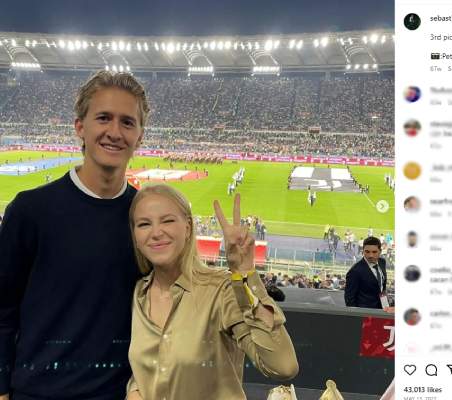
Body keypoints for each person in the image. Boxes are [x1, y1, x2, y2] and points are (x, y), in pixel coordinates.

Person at [0, 70, 149, 399]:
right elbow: (2, 309)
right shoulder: (30, 210)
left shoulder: (147, 220)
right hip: (37, 392)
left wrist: (242, 272)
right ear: (80, 126)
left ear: (140, 136)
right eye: (103, 118)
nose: (115, 132)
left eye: (127, 122)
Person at [126, 188, 298, 399]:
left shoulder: (221, 290)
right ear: (135, 235)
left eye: (167, 221)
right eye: (144, 224)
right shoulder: (139, 294)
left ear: (188, 227)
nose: (156, 232)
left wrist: (246, 273)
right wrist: (135, 389)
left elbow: (283, 367)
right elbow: (154, 366)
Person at [344, 236, 388, 309]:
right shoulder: (355, 271)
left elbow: (382, 287)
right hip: (365, 313)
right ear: (363, 251)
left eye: (374, 252)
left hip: (382, 310)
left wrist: (385, 306)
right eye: (367, 252)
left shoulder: (382, 262)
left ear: (380, 251)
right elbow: (349, 299)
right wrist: (358, 315)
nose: (370, 255)